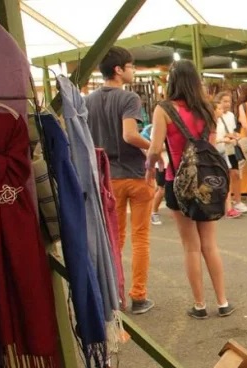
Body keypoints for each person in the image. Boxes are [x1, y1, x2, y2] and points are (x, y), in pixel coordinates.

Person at [146, 60, 234, 319]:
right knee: (210, 244)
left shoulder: (163, 110)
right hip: (208, 181)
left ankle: (199, 305)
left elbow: (154, 147)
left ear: (172, 81)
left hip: (178, 182)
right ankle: (223, 301)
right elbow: (212, 145)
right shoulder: (208, 110)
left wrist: (151, 169)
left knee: (191, 247)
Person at [85, 46, 156, 314]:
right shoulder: (129, 99)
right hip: (135, 175)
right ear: (119, 69)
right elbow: (129, 135)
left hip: (106, 178)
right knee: (141, 238)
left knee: (114, 238)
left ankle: (113, 293)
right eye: (131, 66)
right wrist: (152, 147)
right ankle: (138, 295)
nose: (133, 70)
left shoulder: (88, 101)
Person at [213, 91, 245, 219]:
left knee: (229, 176)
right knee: (220, 179)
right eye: (221, 105)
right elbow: (212, 138)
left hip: (226, 150)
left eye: (228, 102)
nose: (225, 107)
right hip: (216, 152)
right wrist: (223, 139)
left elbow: (228, 132)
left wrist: (233, 137)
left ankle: (231, 206)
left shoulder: (230, 116)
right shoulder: (211, 122)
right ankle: (225, 206)